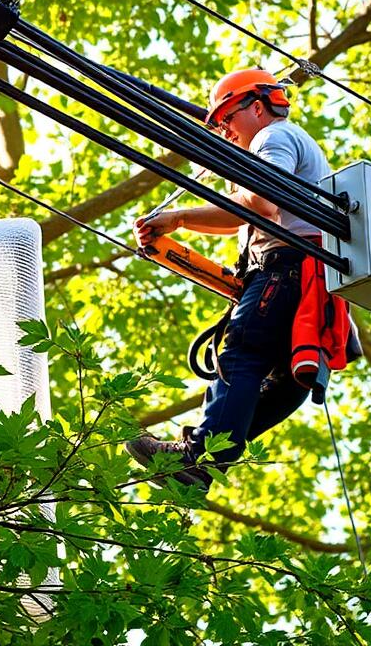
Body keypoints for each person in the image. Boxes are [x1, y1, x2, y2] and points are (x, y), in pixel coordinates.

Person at [126, 67, 332, 490]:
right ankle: (209, 456)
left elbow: (261, 204)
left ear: (257, 107)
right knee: (281, 383)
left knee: (241, 353)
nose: (223, 132)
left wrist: (180, 217)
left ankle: (198, 457)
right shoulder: (285, 146)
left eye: (226, 120)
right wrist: (179, 220)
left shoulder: (272, 138)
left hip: (285, 269)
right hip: (308, 278)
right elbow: (254, 206)